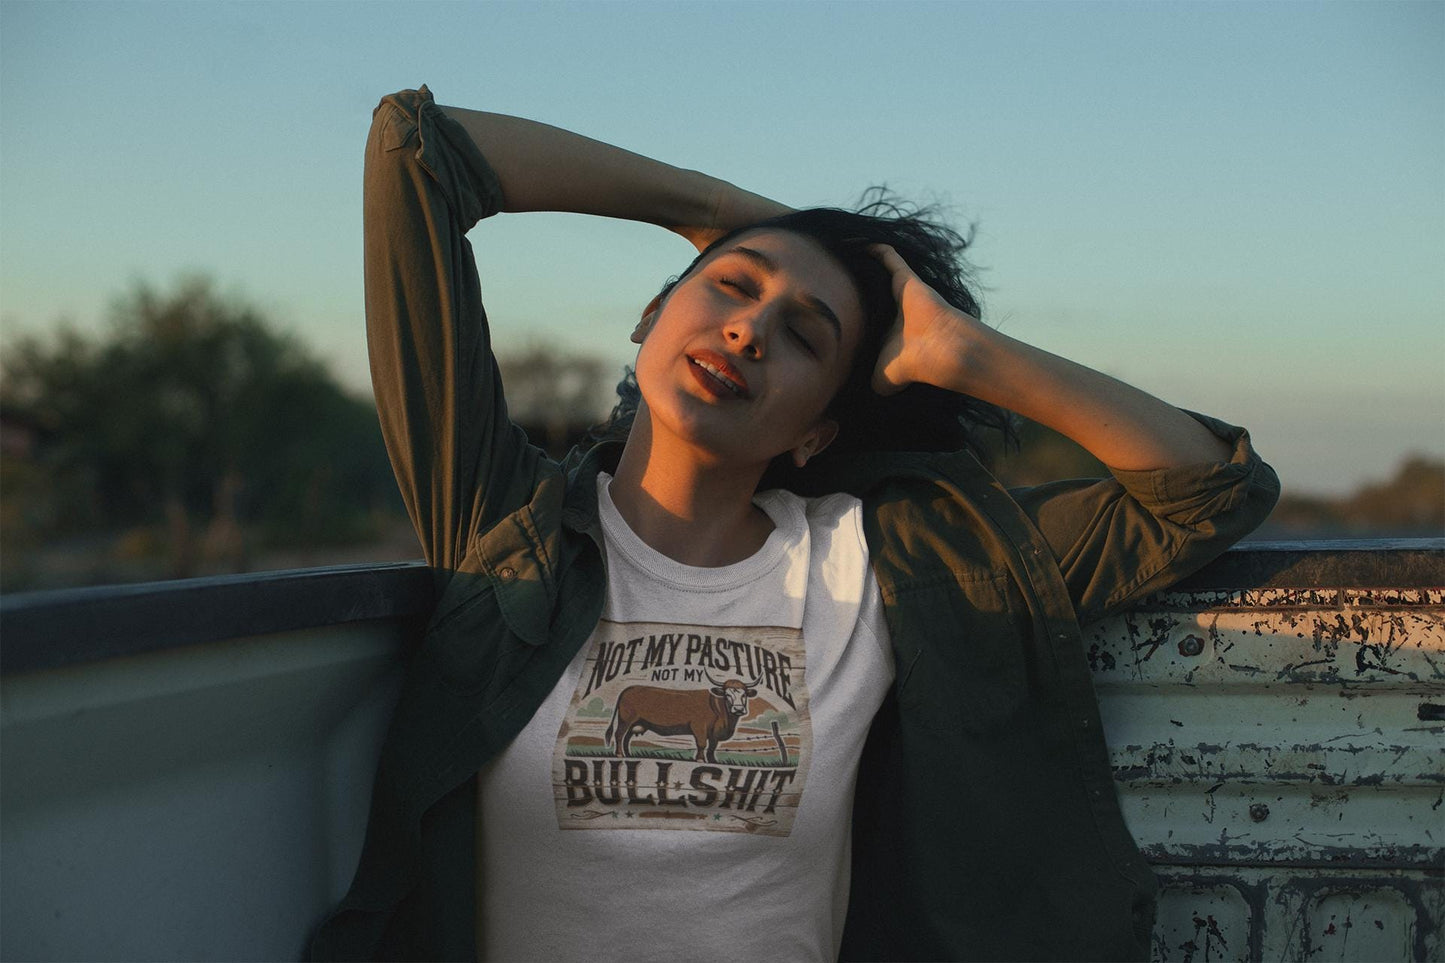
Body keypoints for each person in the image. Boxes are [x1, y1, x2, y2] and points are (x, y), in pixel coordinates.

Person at [309, 86, 1279, 962]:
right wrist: (711, 210)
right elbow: (416, 153)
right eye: (731, 286)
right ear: (650, 316)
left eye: (804, 335)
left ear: (817, 432)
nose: (749, 331)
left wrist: (963, 354)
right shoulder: (502, 523)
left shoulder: (885, 562)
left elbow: (1206, 489)